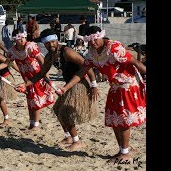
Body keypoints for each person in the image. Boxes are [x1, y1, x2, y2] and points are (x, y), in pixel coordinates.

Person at [62, 26, 146, 162]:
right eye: (90, 41)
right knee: (114, 119)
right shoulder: (91, 53)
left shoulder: (114, 47)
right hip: (114, 86)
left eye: (95, 39)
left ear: (101, 36)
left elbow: (135, 62)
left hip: (128, 84)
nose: (93, 43)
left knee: (123, 119)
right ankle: (123, 150)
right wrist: (65, 88)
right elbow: (81, 72)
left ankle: (125, 153)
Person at [20, 29, 98, 150]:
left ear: (57, 40)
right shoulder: (50, 56)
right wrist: (25, 84)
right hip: (68, 83)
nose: (50, 45)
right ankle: (68, 137)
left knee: (65, 113)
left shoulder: (67, 52)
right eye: (47, 43)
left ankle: (77, 141)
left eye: (52, 42)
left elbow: (86, 65)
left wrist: (93, 85)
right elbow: (41, 73)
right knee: (57, 109)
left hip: (79, 83)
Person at [0, 29, 55, 130]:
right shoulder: (12, 51)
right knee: (30, 100)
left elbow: (43, 62)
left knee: (35, 100)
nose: (23, 40)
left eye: (24, 38)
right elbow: (7, 63)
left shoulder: (30, 46)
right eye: (20, 38)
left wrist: (46, 76)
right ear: (15, 40)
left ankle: (36, 124)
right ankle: (31, 123)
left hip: (37, 75)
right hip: (26, 77)